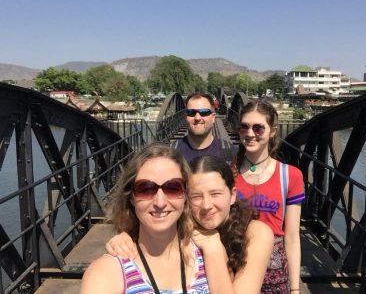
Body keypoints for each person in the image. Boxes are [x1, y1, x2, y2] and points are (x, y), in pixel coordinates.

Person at [106, 155, 274, 294]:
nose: (206, 205)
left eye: (215, 194)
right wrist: (125, 236)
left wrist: (213, 247)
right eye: (196, 196)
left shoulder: (256, 233)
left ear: (232, 195)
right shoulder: (185, 224)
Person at [80, 143, 209, 294]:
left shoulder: (209, 254)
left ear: (186, 194)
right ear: (131, 197)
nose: (160, 202)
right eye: (146, 189)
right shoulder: (106, 273)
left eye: (173, 188)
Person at [232, 99, 305, 293]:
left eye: (258, 128)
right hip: (235, 260)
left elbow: (291, 237)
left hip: (274, 267)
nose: (250, 134)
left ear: (272, 130)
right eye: (244, 127)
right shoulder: (228, 172)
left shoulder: (290, 176)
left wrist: (295, 288)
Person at [171, 92, 236, 162]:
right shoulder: (171, 152)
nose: (197, 118)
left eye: (204, 112)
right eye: (191, 112)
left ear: (213, 117)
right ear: (185, 116)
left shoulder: (231, 152)